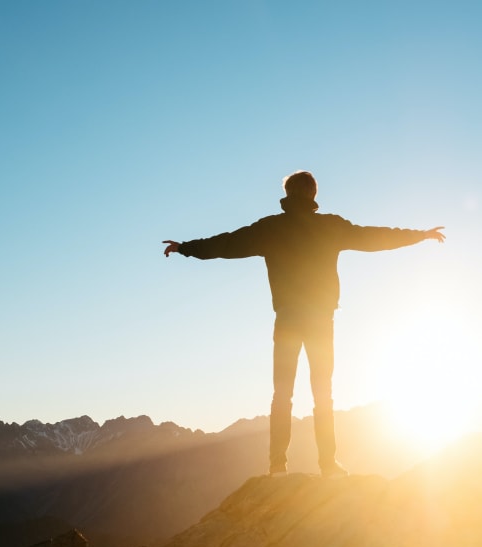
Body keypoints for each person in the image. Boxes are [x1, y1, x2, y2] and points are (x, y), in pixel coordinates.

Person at [163, 171, 445, 478]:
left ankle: (277, 466)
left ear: (287, 193)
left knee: (282, 393)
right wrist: (420, 235)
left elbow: (226, 244)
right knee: (323, 392)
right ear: (313, 195)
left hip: (287, 319)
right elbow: (376, 237)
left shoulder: (271, 228)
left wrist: (185, 247)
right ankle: (328, 465)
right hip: (321, 319)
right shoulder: (330, 227)